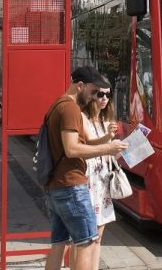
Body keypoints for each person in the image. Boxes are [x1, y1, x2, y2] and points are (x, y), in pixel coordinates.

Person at [43, 66, 128, 270]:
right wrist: (109, 147)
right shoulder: (70, 108)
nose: (93, 98)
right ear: (79, 85)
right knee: (87, 242)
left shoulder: (57, 105)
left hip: (55, 185)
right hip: (71, 184)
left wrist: (108, 141)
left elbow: (86, 142)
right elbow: (72, 149)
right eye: (92, 92)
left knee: (58, 245)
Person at [81, 80, 120, 270]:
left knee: (98, 236)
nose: (104, 98)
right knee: (85, 238)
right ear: (92, 95)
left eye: (108, 94)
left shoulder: (106, 121)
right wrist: (108, 140)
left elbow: (109, 152)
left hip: (102, 181)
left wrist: (123, 149)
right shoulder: (83, 118)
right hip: (89, 181)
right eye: (100, 94)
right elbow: (89, 144)